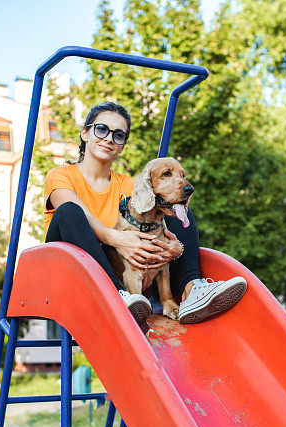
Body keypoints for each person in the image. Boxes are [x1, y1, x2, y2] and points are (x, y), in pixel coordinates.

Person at [43, 101, 247, 331]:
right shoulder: (60, 175)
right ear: (85, 133)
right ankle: (117, 295)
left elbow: (156, 223)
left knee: (176, 210)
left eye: (118, 135)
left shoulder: (129, 185)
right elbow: (72, 211)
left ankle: (192, 289)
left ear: (122, 146)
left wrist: (174, 249)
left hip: (117, 267)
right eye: (101, 129)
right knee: (70, 212)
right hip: (69, 268)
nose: (109, 138)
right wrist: (116, 238)